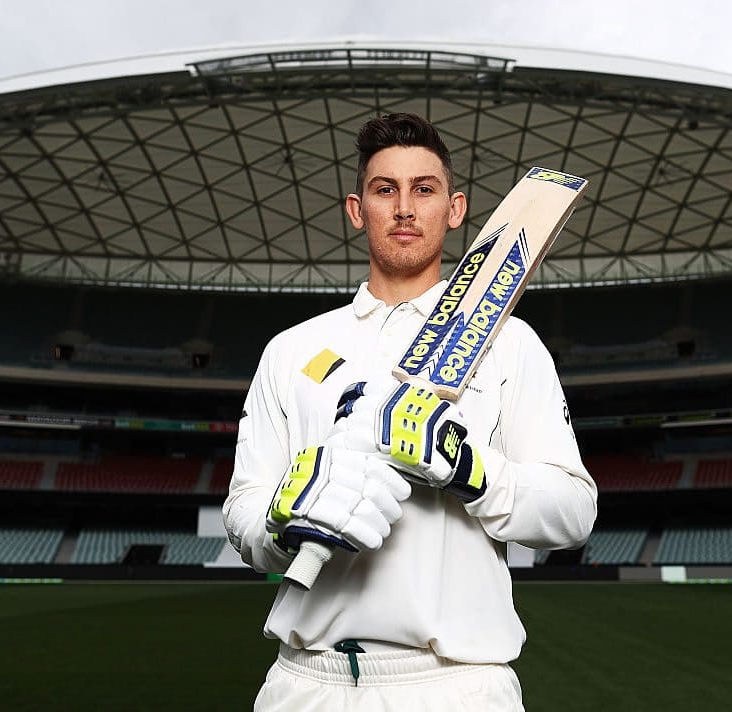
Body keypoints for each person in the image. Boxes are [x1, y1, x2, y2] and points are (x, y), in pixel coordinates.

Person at [223, 112, 597, 711]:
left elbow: (573, 512)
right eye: (384, 190)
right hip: (302, 682)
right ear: (356, 209)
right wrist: (281, 517)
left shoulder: (510, 343)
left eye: (424, 189)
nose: (404, 208)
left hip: (454, 685)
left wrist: (468, 469)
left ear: (454, 209)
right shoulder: (291, 350)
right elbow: (242, 511)